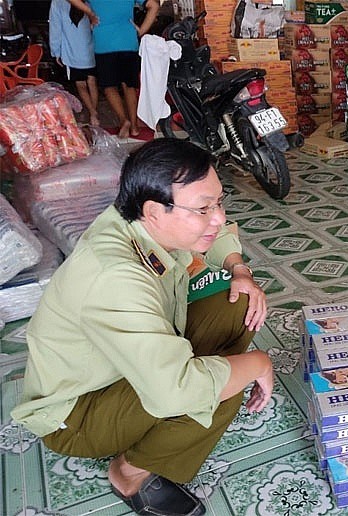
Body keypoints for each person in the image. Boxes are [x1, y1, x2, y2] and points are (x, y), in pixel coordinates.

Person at [11, 139, 274, 516]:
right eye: (203, 208)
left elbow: (213, 237)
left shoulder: (134, 218)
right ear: (153, 210)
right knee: (218, 385)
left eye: (219, 202)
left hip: (121, 366)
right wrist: (258, 363)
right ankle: (130, 472)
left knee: (240, 301)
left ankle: (162, 424)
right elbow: (178, 390)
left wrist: (240, 269)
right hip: (77, 413)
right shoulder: (117, 274)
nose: (217, 217)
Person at [67, 0, 159, 139]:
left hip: (104, 43)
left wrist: (90, 12)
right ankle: (134, 127)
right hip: (128, 41)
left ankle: (124, 120)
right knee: (129, 86)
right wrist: (141, 31)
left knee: (109, 86)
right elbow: (154, 6)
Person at [49, 0, 99, 126]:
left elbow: (55, 29)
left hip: (72, 52)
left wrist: (56, 52)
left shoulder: (57, 3)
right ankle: (95, 112)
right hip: (90, 49)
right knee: (92, 82)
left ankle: (93, 113)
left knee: (81, 85)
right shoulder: (89, 2)